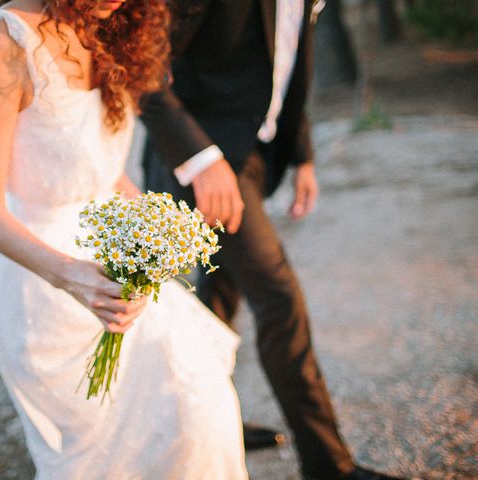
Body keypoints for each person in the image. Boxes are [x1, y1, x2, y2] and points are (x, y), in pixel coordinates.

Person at [0, 0, 249, 478]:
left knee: (198, 408)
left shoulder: (116, 32)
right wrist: (72, 277)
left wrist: (160, 228)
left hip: (115, 264)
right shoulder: (3, 42)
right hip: (42, 285)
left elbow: (97, 171)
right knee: (103, 461)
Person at [141, 1, 407, 480]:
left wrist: (302, 156)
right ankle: (329, 467)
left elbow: (287, 67)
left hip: (254, 155)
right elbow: (143, 70)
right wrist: (201, 160)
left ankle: (215, 422)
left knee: (216, 299)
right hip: (202, 163)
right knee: (280, 301)